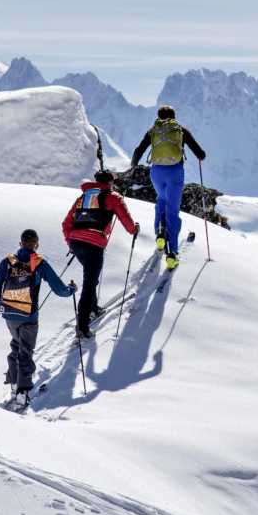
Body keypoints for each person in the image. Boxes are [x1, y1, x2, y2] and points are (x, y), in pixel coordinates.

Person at [0, 228, 75, 408]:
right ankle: (23, 392)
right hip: (29, 316)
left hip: (9, 314)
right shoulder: (38, 262)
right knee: (25, 351)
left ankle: (14, 385)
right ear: (36, 245)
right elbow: (59, 288)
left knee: (16, 345)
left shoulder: (8, 261)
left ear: (20, 243)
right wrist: (71, 290)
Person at [61, 170, 140, 339]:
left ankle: (93, 308)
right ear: (110, 182)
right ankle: (82, 327)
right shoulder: (113, 197)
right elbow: (125, 219)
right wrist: (134, 229)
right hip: (94, 245)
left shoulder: (83, 198)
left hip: (76, 243)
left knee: (91, 277)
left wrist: (71, 242)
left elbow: (66, 223)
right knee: (89, 283)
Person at [129, 105, 206, 270]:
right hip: (175, 172)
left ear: (159, 116)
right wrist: (200, 156)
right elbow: (200, 153)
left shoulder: (153, 130)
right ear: (173, 117)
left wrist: (133, 164)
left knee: (161, 200)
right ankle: (172, 253)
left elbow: (138, 150)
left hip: (156, 172)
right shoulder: (180, 130)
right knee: (172, 210)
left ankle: (160, 234)